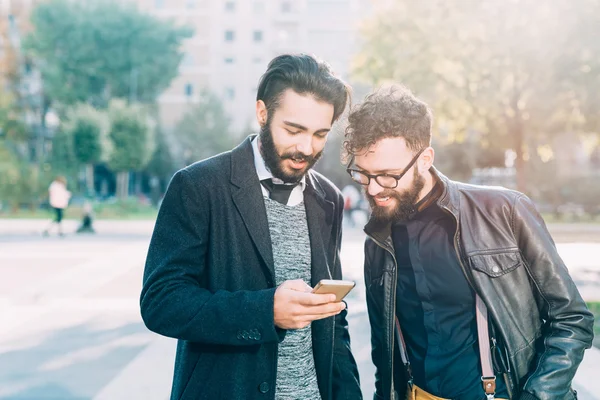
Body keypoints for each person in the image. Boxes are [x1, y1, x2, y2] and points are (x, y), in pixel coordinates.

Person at [343, 86, 594, 400]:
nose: (374, 188)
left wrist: (538, 395)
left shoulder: (504, 211)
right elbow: (385, 351)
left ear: (425, 159)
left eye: (388, 175)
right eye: (363, 174)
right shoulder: (378, 240)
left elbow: (572, 318)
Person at [141, 54, 362, 400]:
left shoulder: (329, 198)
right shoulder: (198, 186)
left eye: (320, 134)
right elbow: (161, 302)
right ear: (262, 112)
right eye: (294, 130)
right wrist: (264, 310)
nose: (306, 147)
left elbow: (334, 322)